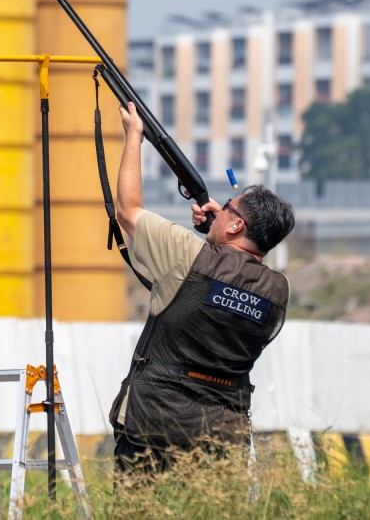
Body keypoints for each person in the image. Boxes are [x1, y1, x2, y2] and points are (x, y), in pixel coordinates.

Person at [110, 101, 295, 476]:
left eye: (227, 207)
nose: (220, 208)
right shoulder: (278, 291)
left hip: (153, 425)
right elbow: (226, 281)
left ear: (235, 227)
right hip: (223, 438)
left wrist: (133, 136)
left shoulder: (186, 255)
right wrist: (213, 238)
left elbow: (128, 211)